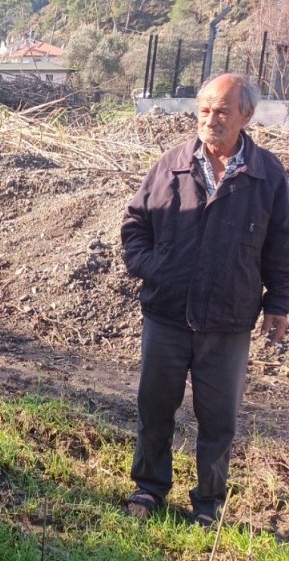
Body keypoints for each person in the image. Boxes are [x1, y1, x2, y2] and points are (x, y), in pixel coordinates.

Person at [120, 73, 289, 527]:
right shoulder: (170, 165)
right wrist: (155, 269)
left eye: (222, 111)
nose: (211, 119)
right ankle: (149, 487)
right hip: (167, 314)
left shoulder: (268, 175)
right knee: (155, 406)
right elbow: (135, 227)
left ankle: (209, 503)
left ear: (247, 116)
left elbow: (282, 245)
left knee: (218, 419)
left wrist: (279, 304)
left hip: (229, 320)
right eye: (205, 110)